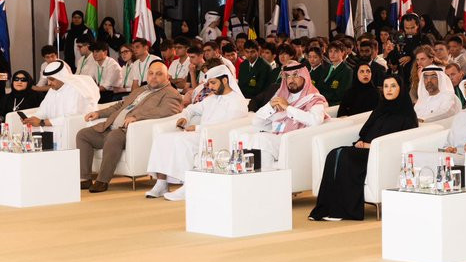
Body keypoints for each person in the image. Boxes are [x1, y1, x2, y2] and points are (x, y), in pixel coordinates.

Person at [309, 75, 418, 222]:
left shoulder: (406, 114)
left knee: (345, 156)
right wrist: (361, 141)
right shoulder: (380, 108)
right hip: (364, 149)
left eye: (393, 86)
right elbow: (366, 130)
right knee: (334, 154)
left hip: (379, 154)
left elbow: (398, 141)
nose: (389, 90)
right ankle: (325, 208)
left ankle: (343, 211)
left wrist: (370, 145)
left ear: (401, 89)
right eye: (386, 86)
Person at [145, 65, 249, 201]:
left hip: (216, 138)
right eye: (209, 83)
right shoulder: (212, 98)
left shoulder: (237, 101)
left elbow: (226, 127)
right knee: (162, 138)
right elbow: (191, 109)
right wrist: (185, 117)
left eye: (213, 83)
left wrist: (197, 128)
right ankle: (161, 183)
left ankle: (189, 186)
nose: (210, 87)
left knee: (182, 141)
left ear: (225, 80)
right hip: (200, 134)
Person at [77, 60, 184, 193]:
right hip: (110, 127)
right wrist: (99, 113)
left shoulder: (171, 93)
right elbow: (121, 105)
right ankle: (85, 178)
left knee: (114, 136)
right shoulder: (140, 90)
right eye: (151, 73)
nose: (154, 77)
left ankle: (102, 180)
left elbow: (167, 111)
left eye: (159, 74)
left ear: (167, 77)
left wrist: (138, 117)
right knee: (83, 134)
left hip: (128, 132)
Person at [228, 63, 329, 171]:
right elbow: (256, 122)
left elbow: (315, 120)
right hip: (278, 137)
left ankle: (263, 176)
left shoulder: (314, 98)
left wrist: (288, 108)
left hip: (295, 141)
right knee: (244, 138)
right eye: (288, 76)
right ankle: (246, 174)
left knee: (261, 139)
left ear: (305, 77)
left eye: (295, 75)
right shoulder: (282, 96)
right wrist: (270, 106)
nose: (291, 80)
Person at [10, 61, 101, 146]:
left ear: (61, 77)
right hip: (53, 127)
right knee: (29, 131)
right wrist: (32, 119)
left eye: (52, 79)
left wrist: (42, 122)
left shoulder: (75, 91)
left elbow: (70, 117)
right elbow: (43, 111)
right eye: (48, 79)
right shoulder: (52, 90)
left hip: (72, 129)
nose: (49, 83)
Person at [315, 40, 352, 106]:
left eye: (336, 51)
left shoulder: (347, 71)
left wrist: (322, 96)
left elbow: (340, 94)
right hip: (322, 101)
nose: (332, 54)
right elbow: (319, 86)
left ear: (343, 53)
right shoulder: (326, 68)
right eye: (330, 51)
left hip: (335, 104)